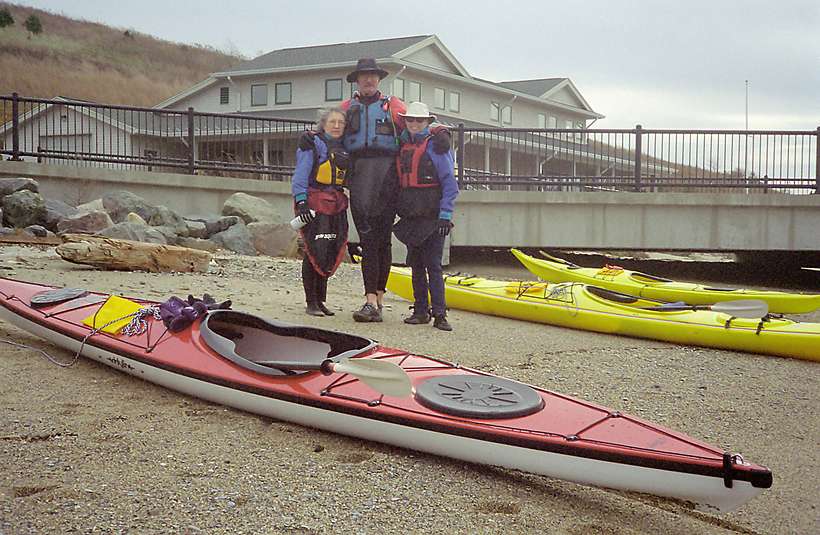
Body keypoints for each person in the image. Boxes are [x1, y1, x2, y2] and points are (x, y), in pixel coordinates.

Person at [342, 58, 451, 323]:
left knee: (383, 241)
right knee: (367, 240)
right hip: (359, 175)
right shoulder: (346, 108)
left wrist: (442, 132)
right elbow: (327, 130)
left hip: (388, 178)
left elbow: (419, 125)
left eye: (372, 76)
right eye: (363, 76)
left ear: (379, 80)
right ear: (357, 80)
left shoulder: (394, 106)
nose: (368, 80)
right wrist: (314, 139)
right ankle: (370, 300)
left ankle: (378, 298)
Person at [392, 102, 459, 331]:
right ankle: (420, 311)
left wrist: (445, 215)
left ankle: (440, 314)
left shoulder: (437, 147)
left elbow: (450, 183)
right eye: (410, 120)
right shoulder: (402, 145)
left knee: (434, 265)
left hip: (433, 216)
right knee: (416, 265)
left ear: (427, 123)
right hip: (412, 216)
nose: (414, 124)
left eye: (419, 120)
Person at [291, 107, 350, 316]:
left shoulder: (345, 147)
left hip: (336, 203)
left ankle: (321, 300)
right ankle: (311, 302)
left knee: (328, 250)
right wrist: (301, 202)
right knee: (313, 250)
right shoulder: (311, 143)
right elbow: (300, 175)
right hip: (314, 201)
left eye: (340, 123)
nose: (336, 126)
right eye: (332, 122)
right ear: (323, 124)